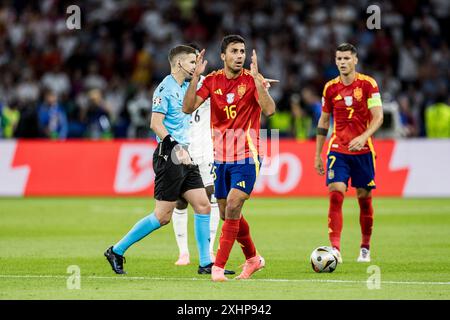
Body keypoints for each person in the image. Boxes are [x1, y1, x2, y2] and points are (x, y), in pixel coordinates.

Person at [104, 45, 233, 275]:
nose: (196, 67)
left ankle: (205, 263)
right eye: (192, 63)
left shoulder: (186, 86)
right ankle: (117, 250)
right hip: (170, 154)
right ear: (179, 63)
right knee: (163, 216)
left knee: (203, 205)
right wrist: (175, 146)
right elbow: (155, 123)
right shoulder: (165, 89)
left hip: (185, 154)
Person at [183, 35, 277, 281]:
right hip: (221, 156)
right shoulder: (212, 81)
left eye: (242, 51)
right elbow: (188, 107)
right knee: (227, 214)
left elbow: (269, 110)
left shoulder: (251, 80)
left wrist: (258, 82)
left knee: (234, 205)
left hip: (247, 153)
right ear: (223, 56)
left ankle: (217, 267)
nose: (239, 55)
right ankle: (253, 259)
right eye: (234, 51)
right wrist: (194, 78)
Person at [314, 43, 384, 263]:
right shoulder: (330, 88)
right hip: (338, 149)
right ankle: (335, 249)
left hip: (363, 150)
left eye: (346, 58)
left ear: (355, 60)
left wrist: (363, 137)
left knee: (364, 198)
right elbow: (324, 121)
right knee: (336, 193)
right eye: (339, 58)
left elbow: (378, 116)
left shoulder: (368, 84)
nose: (342, 62)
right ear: (335, 61)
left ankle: (365, 247)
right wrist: (318, 154)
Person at [172, 44, 221, 267]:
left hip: (205, 151)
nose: (194, 65)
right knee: (179, 202)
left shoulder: (207, 85)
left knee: (211, 197)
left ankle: (208, 251)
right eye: (192, 61)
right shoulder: (170, 88)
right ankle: (183, 252)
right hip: (180, 151)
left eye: (196, 61)